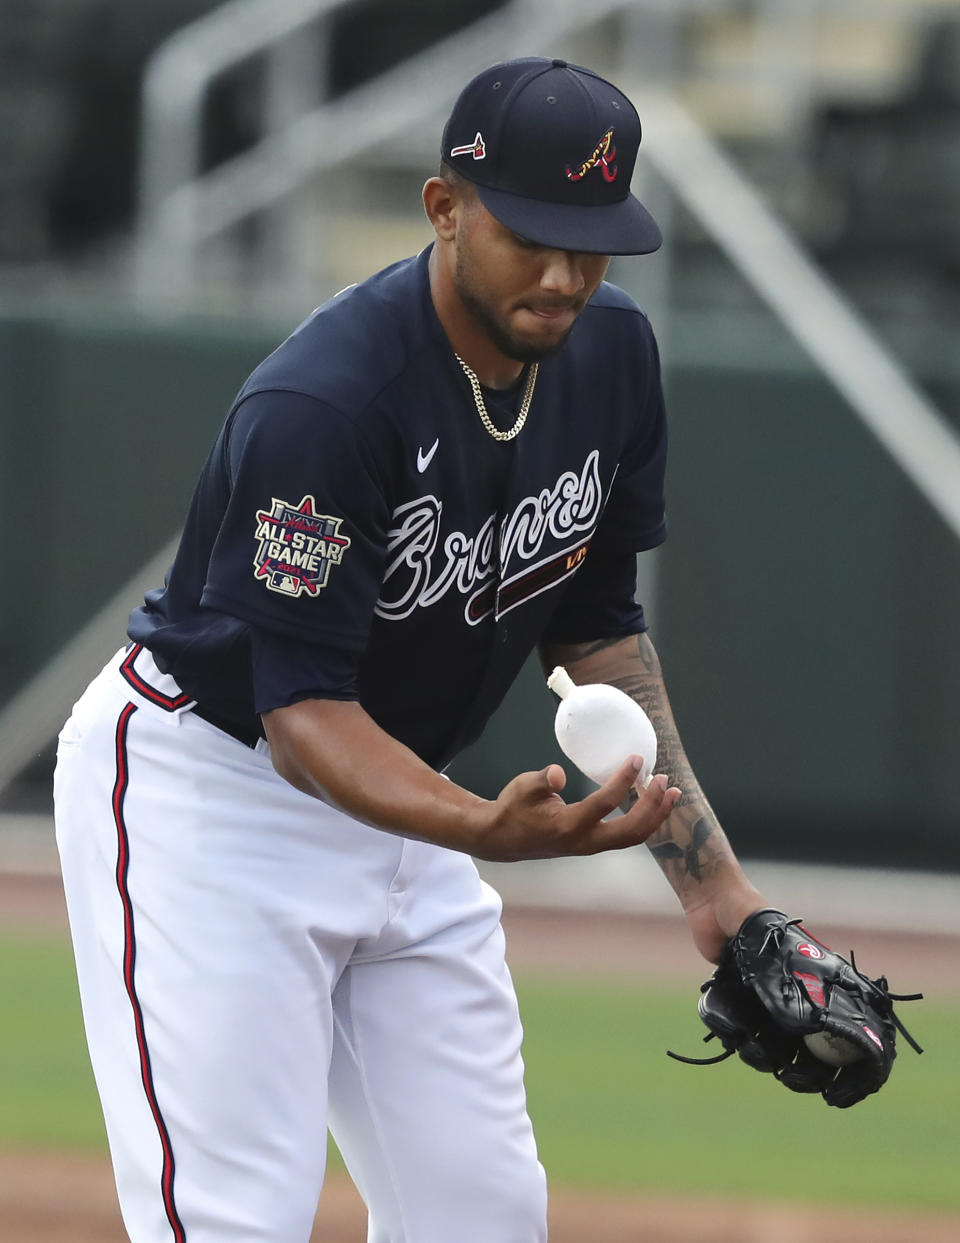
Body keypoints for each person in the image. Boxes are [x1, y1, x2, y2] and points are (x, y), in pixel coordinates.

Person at [54, 57, 766, 1243]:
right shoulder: (327, 403)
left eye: (594, 239)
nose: (563, 273)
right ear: (445, 209)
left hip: (407, 804)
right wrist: (480, 828)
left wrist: (718, 892)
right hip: (213, 795)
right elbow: (300, 717)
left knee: (479, 1214)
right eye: (531, 232)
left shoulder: (612, 357)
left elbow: (596, 626)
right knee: (235, 1219)